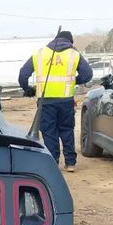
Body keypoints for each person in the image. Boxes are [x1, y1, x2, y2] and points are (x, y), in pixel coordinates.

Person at [18, 31, 92, 172]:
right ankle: (70, 163)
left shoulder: (40, 53)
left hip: (45, 101)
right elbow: (87, 74)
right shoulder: (74, 54)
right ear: (70, 41)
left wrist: (27, 89)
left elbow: (23, 74)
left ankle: (53, 163)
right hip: (66, 100)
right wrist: (74, 80)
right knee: (67, 130)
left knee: (49, 132)